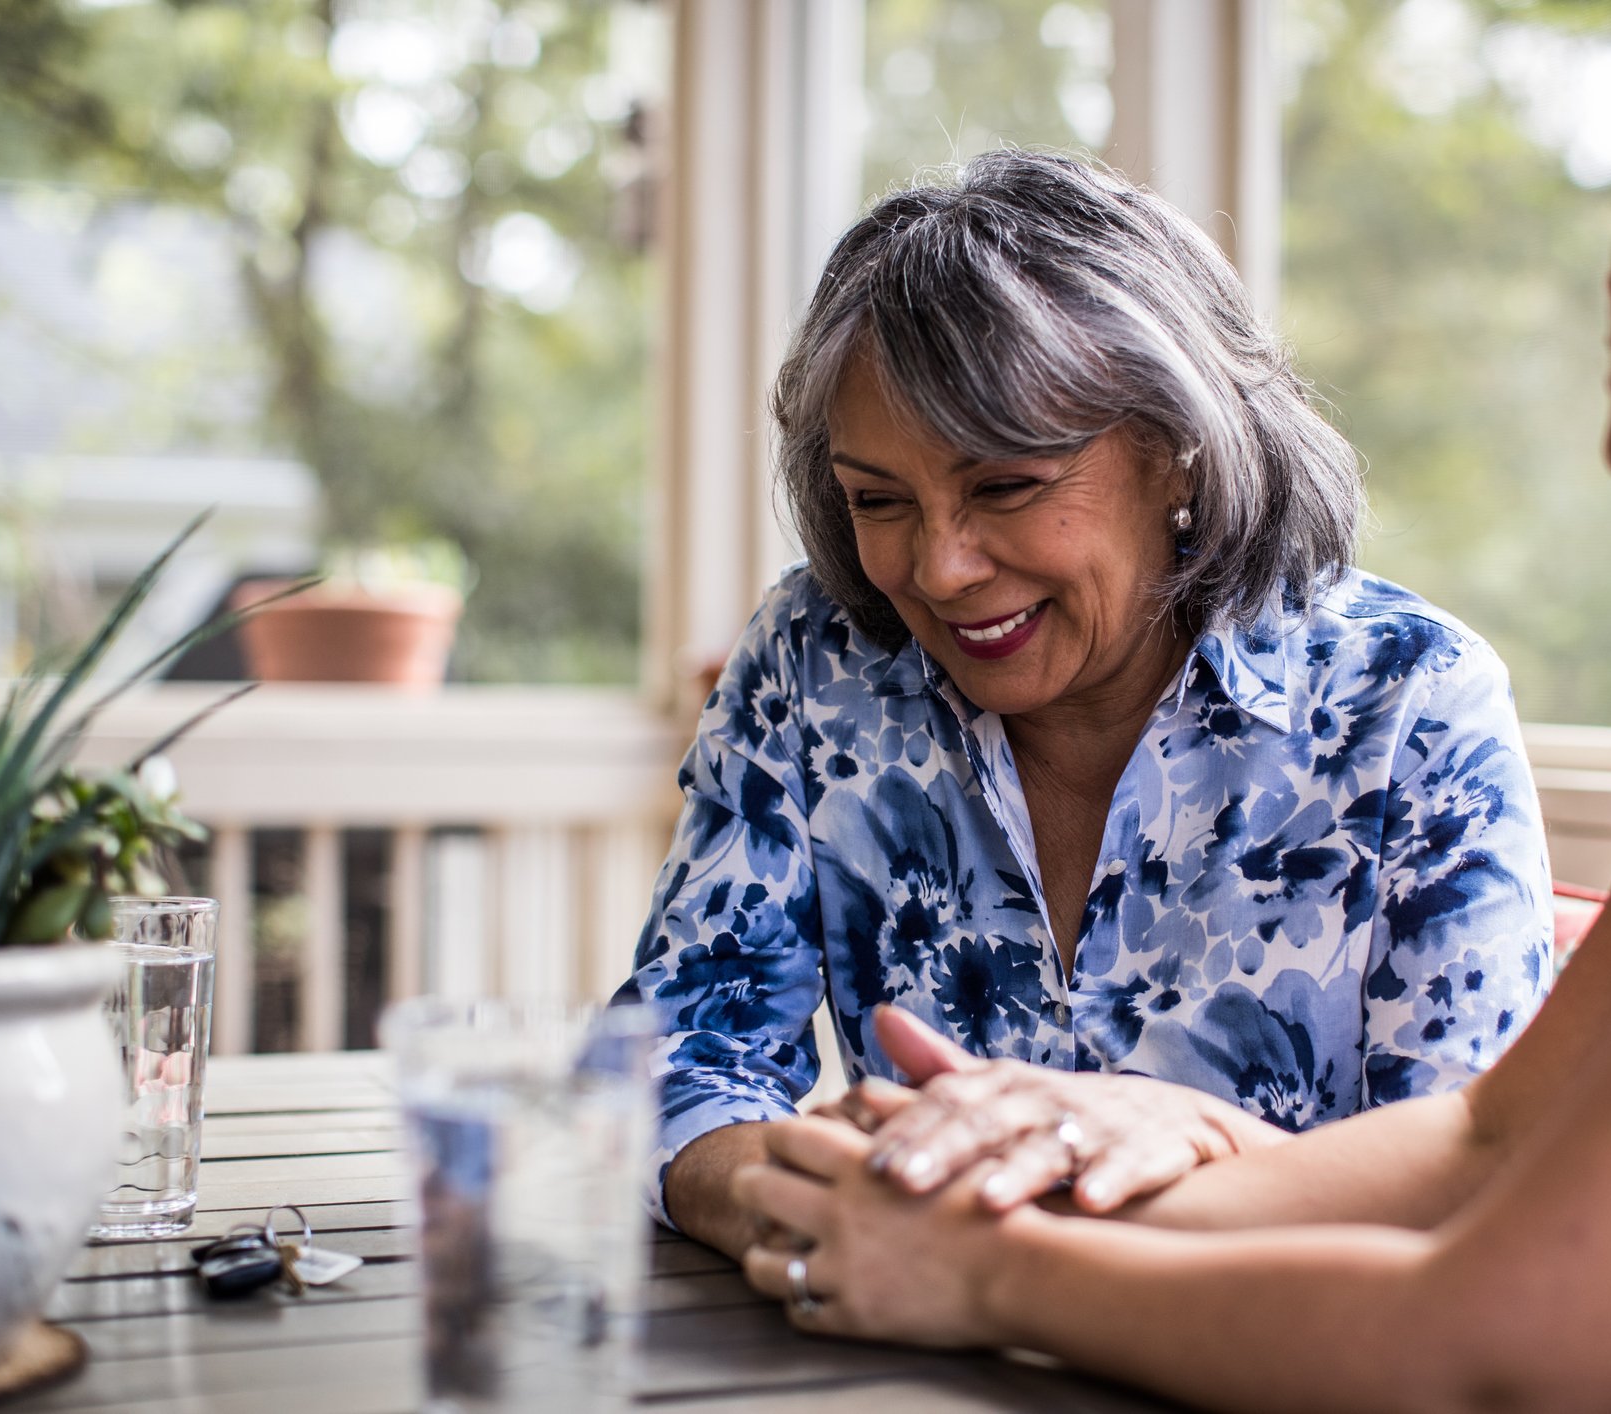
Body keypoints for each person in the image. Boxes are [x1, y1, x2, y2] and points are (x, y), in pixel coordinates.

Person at [729, 2, 1611, 1408]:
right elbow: (1486, 1143)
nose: (1604, 263)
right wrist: (1000, 1181)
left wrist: (982, 1274)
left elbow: (1504, 1347)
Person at [617, 150, 1556, 1258]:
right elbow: (671, 1065)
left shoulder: (1411, 702)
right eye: (879, 499)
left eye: (1005, 485)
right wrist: (822, 1201)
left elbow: (1488, 1179)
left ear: (1181, 453)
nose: (942, 566)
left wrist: (1154, 1153)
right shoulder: (813, 660)